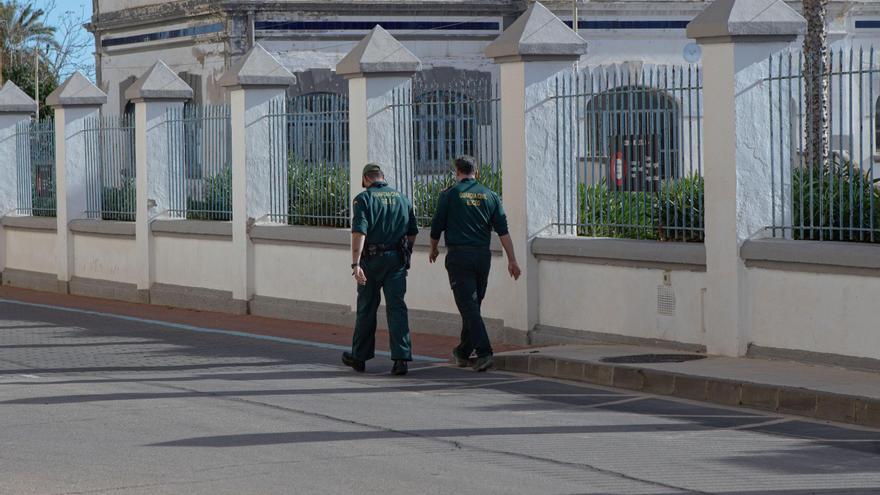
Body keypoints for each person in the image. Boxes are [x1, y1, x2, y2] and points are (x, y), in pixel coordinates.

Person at [429, 156, 521, 372]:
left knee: (468, 306)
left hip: (459, 256)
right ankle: (462, 351)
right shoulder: (490, 195)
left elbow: (436, 226)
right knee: (473, 304)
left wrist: (433, 248)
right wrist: (512, 259)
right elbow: (503, 231)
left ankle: (484, 352)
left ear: (456, 171)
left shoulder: (449, 194)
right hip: (482, 257)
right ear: (476, 171)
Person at [343, 163, 418, 376]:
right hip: (396, 260)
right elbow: (413, 231)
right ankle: (401, 358)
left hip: (371, 261)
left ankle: (359, 357)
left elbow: (359, 232)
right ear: (382, 177)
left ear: (366, 179)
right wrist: (406, 252)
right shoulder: (402, 198)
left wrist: (356, 263)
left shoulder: (363, 199)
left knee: (367, 308)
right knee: (397, 308)